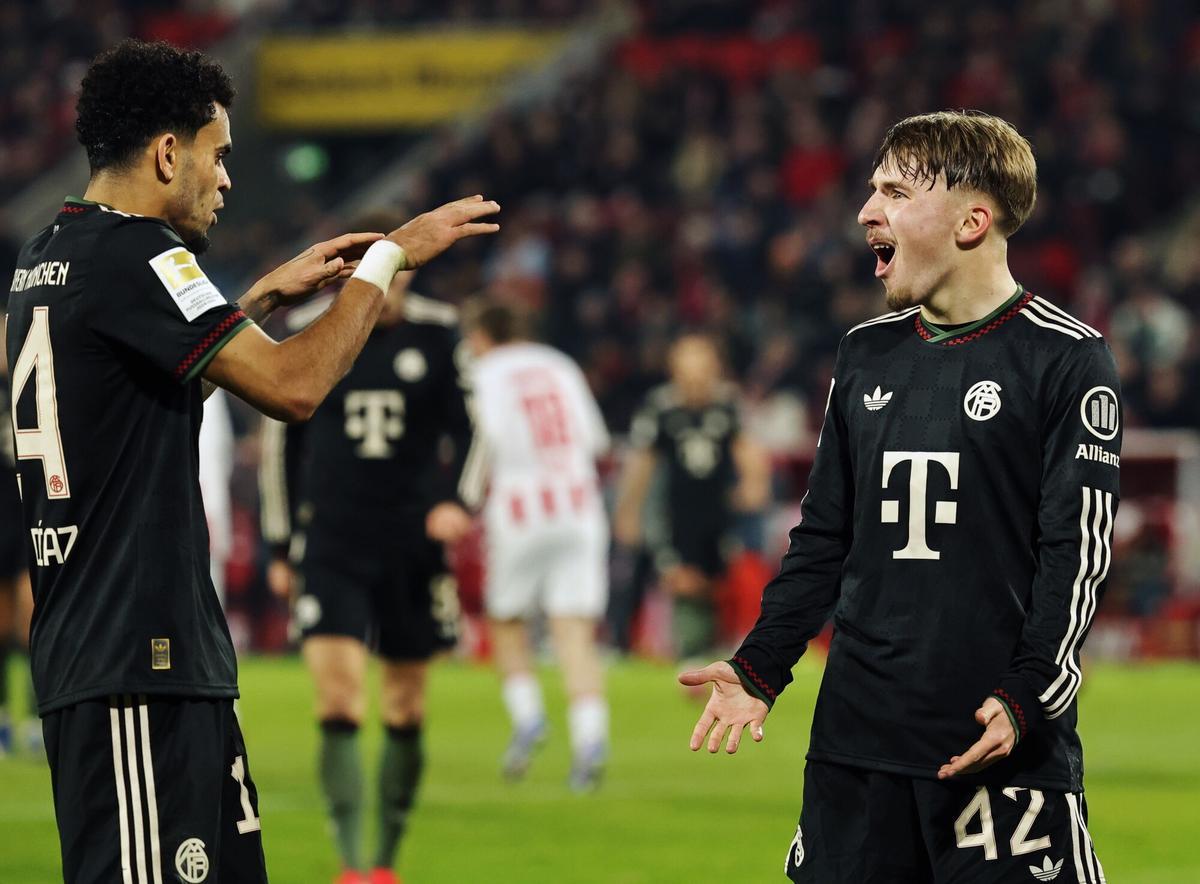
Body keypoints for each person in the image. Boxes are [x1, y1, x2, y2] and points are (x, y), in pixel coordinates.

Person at [6, 39, 497, 883]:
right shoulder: (143, 254)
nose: (227, 179)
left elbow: (137, 395)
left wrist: (260, 298)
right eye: (218, 154)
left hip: (136, 656)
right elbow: (294, 388)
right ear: (168, 154)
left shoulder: (49, 253)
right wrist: (387, 260)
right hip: (134, 660)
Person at [681, 110, 1119, 884]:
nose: (865, 212)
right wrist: (760, 666)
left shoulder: (1064, 357)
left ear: (971, 222)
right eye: (872, 189)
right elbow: (824, 538)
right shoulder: (865, 352)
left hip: (994, 740)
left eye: (895, 192)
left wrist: (1027, 694)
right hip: (855, 747)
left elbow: (1075, 557)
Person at [258, 235, 475, 884]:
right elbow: (279, 446)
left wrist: (457, 500)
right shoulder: (306, 329)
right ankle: (352, 865)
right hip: (331, 541)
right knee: (339, 699)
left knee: (405, 706)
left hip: (413, 542)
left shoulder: (440, 333)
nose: (391, 289)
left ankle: (385, 860)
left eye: (400, 274)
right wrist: (280, 543)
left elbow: (472, 429)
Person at [461, 300, 611, 791]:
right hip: (579, 507)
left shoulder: (483, 372)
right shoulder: (560, 364)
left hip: (520, 507)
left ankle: (528, 717)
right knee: (574, 630)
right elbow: (595, 441)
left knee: (506, 621)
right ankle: (590, 739)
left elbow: (481, 444)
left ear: (481, 335)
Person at [613, 334, 770, 659]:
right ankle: (626, 643)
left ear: (715, 369)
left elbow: (749, 450)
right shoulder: (660, 407)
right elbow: (641, 462)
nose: (695, 380)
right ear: (675, 371)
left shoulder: (728, 404)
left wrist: (754, 484)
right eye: (688, 372)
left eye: (702, 371)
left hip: (719, 510)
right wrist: (628, 510)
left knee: (720, 579)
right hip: (672, 513)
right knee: (675, 578)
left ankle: (721, 645)